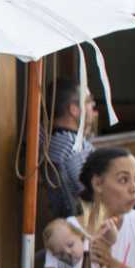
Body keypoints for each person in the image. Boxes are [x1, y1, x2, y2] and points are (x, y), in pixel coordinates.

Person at [40, 84, 98, 223]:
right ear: (74, 109)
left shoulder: (49, 140)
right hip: (88, 221)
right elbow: (92, 192)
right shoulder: (74, 147)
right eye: (89, 101)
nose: (93, 106)